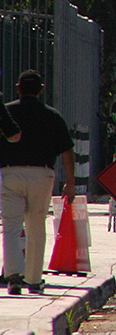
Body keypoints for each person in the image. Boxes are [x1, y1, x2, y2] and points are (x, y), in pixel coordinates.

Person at [1, 70, 69, 295]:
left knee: (10, 226)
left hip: (10, 173)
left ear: (18, 88)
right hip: (42, 174)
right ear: (41, 89)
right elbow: (67, 150)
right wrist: (71, 181)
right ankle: (34, 279)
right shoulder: (53, 116)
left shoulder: (7, 111)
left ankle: (13, 276)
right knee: (36, 225)